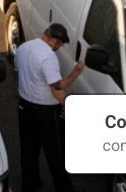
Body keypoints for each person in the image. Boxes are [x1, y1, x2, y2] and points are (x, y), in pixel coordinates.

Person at [15, 22, 84, 192]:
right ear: (50, 37)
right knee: (56, 153)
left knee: (29, 149)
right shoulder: (48, 56)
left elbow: (20, 69)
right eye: (58, 42)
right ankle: (64, 189)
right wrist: (76, 72)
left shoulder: (24, 47)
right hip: (45, 110)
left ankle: (30, 185)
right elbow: (57, 86)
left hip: (24, 105)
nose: (58, 46)